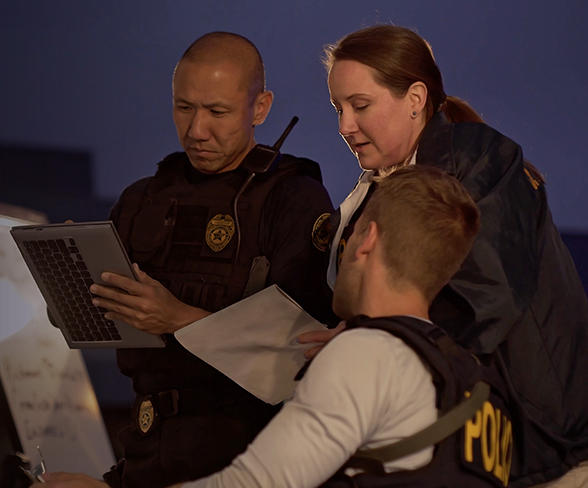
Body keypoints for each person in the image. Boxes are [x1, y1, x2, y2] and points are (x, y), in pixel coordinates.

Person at [45, 166, 524, 488]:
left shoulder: (368, 356)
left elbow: (255, 484)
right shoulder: (476, 385)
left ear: (367, 240)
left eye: (348, 232)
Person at [52, 31, 335, 488]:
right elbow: (95, 327)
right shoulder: (141, 200)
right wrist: (69, 280)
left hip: (247, 456)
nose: (197, 130)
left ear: (260, 108)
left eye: (217, 112)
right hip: (146, 448)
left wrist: (178, 317)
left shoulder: (293, 200)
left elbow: (303, 354)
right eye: (184, 108)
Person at [309, 24, 588, 487]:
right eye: (338, 108)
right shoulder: (368, 195)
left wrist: (372, 340)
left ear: (415, 99)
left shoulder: (478, 159)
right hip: (465, 450)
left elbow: (486, 297)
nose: (344, 126)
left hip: (542, 448)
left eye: (360, 106)